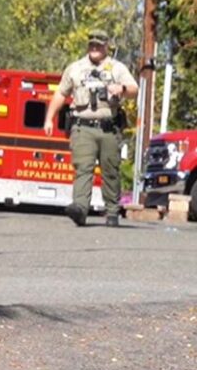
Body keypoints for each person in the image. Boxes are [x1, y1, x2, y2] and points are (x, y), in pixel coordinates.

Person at [44, 29, 138, 228]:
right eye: (92, 45)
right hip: (82, 127)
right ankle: (80, 208)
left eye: (99, 45)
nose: (95, 48)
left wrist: (121, 88)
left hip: (108, 129)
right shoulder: (75, 68)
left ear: (106, 47)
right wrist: (49, 119)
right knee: (83, 169)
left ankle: (112, 211)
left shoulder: (117, 68)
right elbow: (61, 94)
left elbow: (133, 89)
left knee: (110, 171)